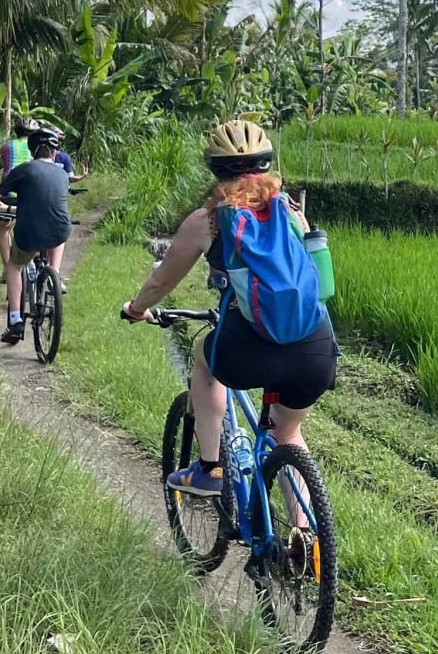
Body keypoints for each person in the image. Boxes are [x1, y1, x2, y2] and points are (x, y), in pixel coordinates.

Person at [121, 121, 337, 496]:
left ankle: (209, 468)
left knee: (203, 359)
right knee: (288, 433)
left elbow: (161, 282)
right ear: (266, 163)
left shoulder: (208, 221)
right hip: (316, 346)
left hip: (248, 347)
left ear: (215, 169)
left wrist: (137, 308)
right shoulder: (292, 212)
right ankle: (306, 528)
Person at [0, 128, 71, 345]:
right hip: (59, 229)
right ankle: (55, 273)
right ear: (54, 152)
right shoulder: (62, 174)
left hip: (29, 231)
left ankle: (15, 320)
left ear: (32, 152)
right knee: (60, 233)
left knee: (14, 266)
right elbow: (47, 204)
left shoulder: (23, 170)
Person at [0, 118, 40, 283]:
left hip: (7, 196)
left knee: (3, 229)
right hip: (31, 196)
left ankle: (7, 269)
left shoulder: (6, 147)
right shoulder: (38, 147)